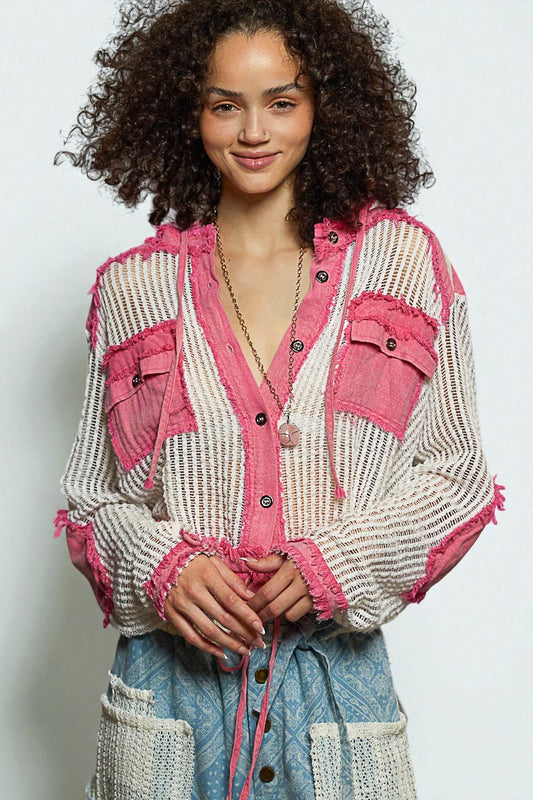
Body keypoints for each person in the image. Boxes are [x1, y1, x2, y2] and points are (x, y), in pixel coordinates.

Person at [54, 0, 504, 798]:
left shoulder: (399, 264)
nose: (253, 131)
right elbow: (91, 504)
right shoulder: (133, 290)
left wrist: (343, 558)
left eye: (281, 102)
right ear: (186, 112)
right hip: (170, 699)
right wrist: (160, 564)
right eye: (225, 104)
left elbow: (458, 476)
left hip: (334, 700)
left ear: (323, 106)